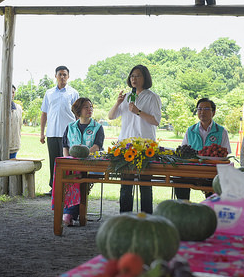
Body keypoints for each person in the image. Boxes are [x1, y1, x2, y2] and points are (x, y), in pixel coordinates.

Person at [108, 64, 161, 213]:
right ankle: (125, 217)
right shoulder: (126, 97)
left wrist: (138, 112)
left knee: (145, 185)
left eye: (137, 76)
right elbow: (111, 116)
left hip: (145, 147)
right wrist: (118, 102)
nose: (133, 79)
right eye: (132, 76)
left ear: (145, 78)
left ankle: (146, 218)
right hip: (126, 146)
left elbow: (155, 120)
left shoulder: (152, 97)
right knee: (126, 185)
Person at [57, 97, 104, 226]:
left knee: (77, 177)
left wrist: (83, 155)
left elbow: (97, 146)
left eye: (91, 107)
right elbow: (65, 146)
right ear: (78, 110)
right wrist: (68, 162)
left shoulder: (98, 127)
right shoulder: (70, 127)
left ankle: (69, 213)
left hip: (92, 164)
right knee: (71, 176)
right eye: (86, 107)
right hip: (73, 165)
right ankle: (70, 213)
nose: (90, 110)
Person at [178, 98, 231, 200]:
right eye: (199, 109)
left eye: (206, 109)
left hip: (212, 172)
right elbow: (183, 151)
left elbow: (225, 154)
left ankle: (210, 210)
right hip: (192, 171)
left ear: (213, 112)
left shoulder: (221, 131)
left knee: (215, 190)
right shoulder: (191, 130)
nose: (202, 112)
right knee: (179, 181)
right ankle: (183, 207)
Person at [40, 66, 79, 195]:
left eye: (65, 75)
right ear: (55, 76)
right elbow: (44, 113)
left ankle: (68, 187)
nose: (62, 77)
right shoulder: (49, 93)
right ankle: (54, 188)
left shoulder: (73, 93)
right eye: (60, 74)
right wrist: (42, 133)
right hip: (52, 133)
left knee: (67, 160)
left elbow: (77, 114)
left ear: (68, 77)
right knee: (54, 161)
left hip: (68, 134)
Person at [0, 85, 23, 159]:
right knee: (1, 166)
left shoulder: (18, 108)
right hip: (1, 144)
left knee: (12, 166)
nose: (11, 94)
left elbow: (19, 125)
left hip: (14, 144)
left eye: (13, 92)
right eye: (9, 92)